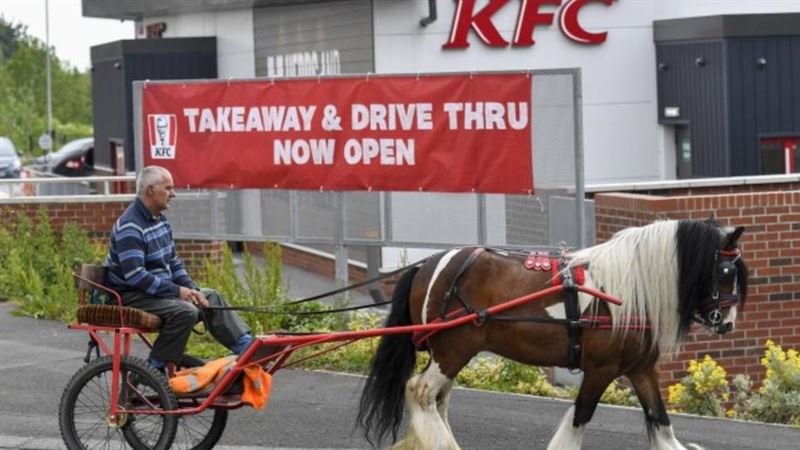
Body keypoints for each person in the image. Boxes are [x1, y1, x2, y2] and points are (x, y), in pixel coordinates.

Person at [104, 165, 253, 371]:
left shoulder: (160, 220)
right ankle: (153, 369)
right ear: (150, 190)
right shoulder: (130, 226)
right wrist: (178, 291)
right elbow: (135, 276)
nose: (173, 194)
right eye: (168, 188)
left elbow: (173, 262)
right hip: (130, 295)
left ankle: (247, 348)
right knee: (186, 312)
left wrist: (192, 289)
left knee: (211, 298)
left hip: (154, 293)